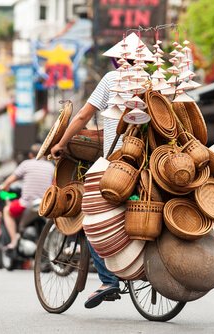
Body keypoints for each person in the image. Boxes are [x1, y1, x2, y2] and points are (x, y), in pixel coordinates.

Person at [50, 33, 153, 309]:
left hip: (116, 165)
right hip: (150, 164)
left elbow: (84, 115)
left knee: (90, 216)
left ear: (121, 60)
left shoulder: (111, 80)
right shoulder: (153, 83)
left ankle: (108, 280)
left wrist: (60, 143)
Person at [0, 144, 54, 249]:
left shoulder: (26, 164)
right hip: (45, 205)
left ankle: (14, 240)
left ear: (30, 155)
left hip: (27, 204)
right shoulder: (51, 166)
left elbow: (10, 180)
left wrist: (3, 187)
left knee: (7, 210)